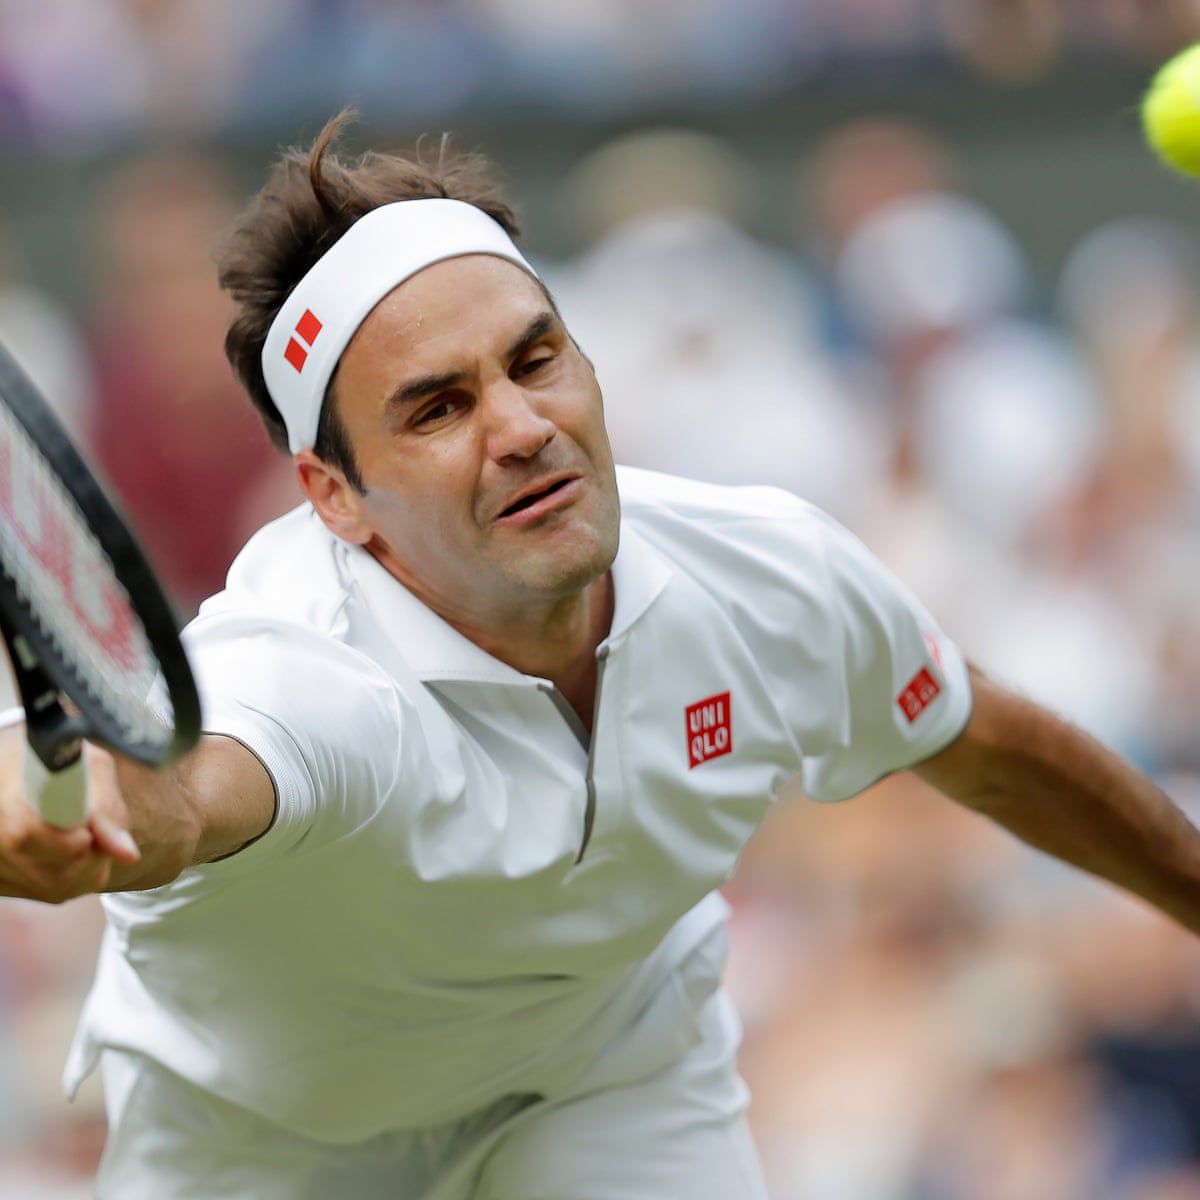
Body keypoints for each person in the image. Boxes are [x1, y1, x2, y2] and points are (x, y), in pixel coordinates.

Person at [1, 112, 1199, 1199]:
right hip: (263, 1150)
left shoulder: (766, 574)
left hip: (608, 1084)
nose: (523, 429)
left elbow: (985, 745)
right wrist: (61, 808)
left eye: (536, 360)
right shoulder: (305, 679)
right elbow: (173, 784)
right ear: (335, 497)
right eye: (437, 408)